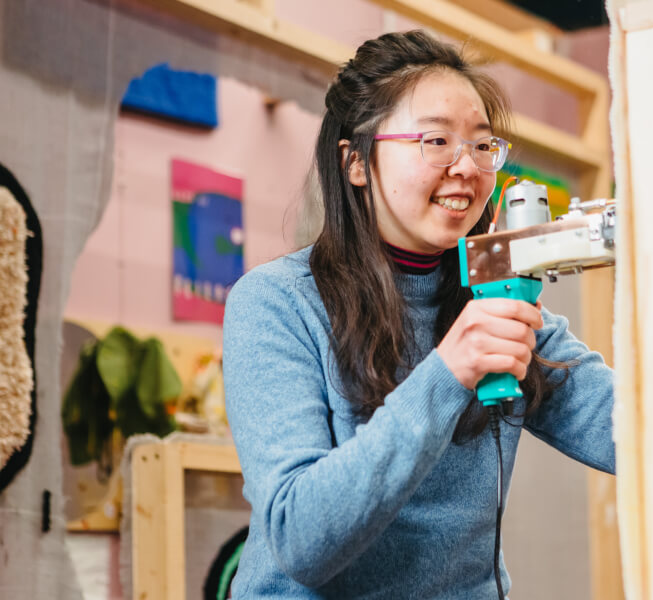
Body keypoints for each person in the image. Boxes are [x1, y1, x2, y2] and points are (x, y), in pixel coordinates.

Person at [223, 30, 614, 599]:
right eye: (436, 140)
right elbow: (298, 536)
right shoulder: (276, 303)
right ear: (356, 161)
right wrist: (447, 372)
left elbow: (631, 429)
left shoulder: (499, 302)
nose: (467, 167)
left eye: (482, 145)